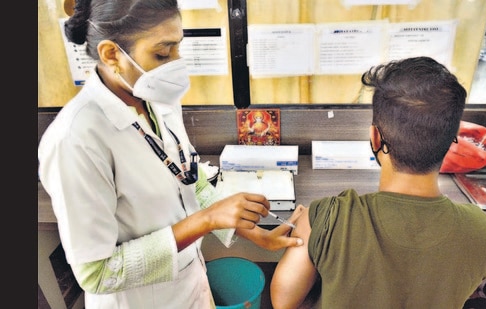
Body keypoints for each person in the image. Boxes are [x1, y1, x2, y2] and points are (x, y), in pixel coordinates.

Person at [38, 0, 303, 308]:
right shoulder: (76, 140)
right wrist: (206, 220)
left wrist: (250, 230)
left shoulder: (156, 99)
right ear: (112, 55)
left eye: (178, 48)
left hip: (190, 286)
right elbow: (97, 274)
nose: (176, 63)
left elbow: (190, 178)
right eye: (162, 53)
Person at [270, 56, 486, 309]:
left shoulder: (328, 217)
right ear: (450, 142)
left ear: (375, 137)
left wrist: (310, 224)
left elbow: (283, 302)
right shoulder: (481, 230)